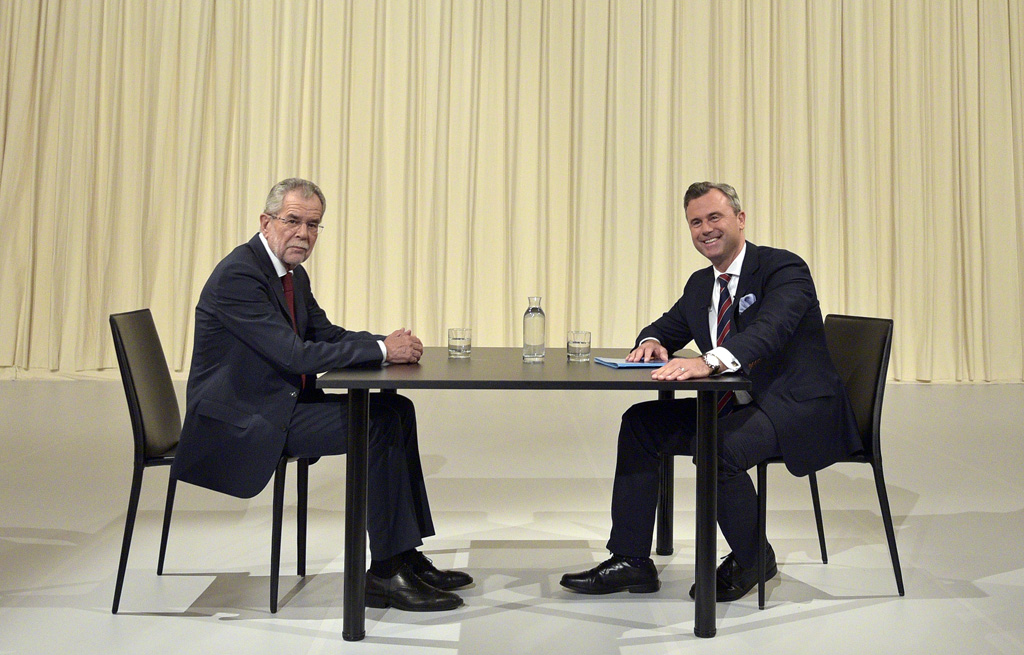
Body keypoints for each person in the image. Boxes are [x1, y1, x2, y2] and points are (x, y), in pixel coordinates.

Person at [172, 178, 470, 612]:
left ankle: (404, 553)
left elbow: (325, 335)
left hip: (278, 404)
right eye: (293, 221)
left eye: (313, 225)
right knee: (379, 422)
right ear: (266, 222)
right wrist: (384, 350)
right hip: (243, 419)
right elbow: (295, 355)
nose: (304, 234)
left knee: (397, 409)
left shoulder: (292, 274)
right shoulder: (240, 274)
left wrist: (385, 341)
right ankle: (385, 573)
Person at [560, 181, 861, 601]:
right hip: (738, 404)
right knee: (640, 424)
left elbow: (768, 333)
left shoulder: (783, 269)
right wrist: (652, 341)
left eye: (714, 217)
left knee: (716, 449)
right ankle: (631, 561)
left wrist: (707, 361)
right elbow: (666, 325)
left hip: (794, 406)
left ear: (739, 219)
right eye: (695, 222)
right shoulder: (702, 285)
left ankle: (755, 557)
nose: (705, 229)